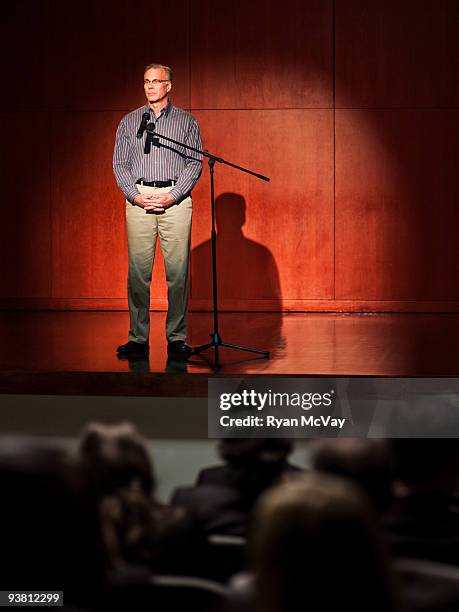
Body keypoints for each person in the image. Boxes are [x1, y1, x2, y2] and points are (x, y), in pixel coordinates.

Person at [113, 63, 202, 357]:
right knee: (138, 274)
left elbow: (195, 163)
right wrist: (136, 196)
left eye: (156, 81)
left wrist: (173, 195)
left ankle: (176, 338)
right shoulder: (129, 122)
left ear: (169, 86)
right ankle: (138, 339)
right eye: (146, 81)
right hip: (139, 198)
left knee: (177, 274)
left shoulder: (186, 122)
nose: (150, 86)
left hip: (174, 199)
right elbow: (120, 164)